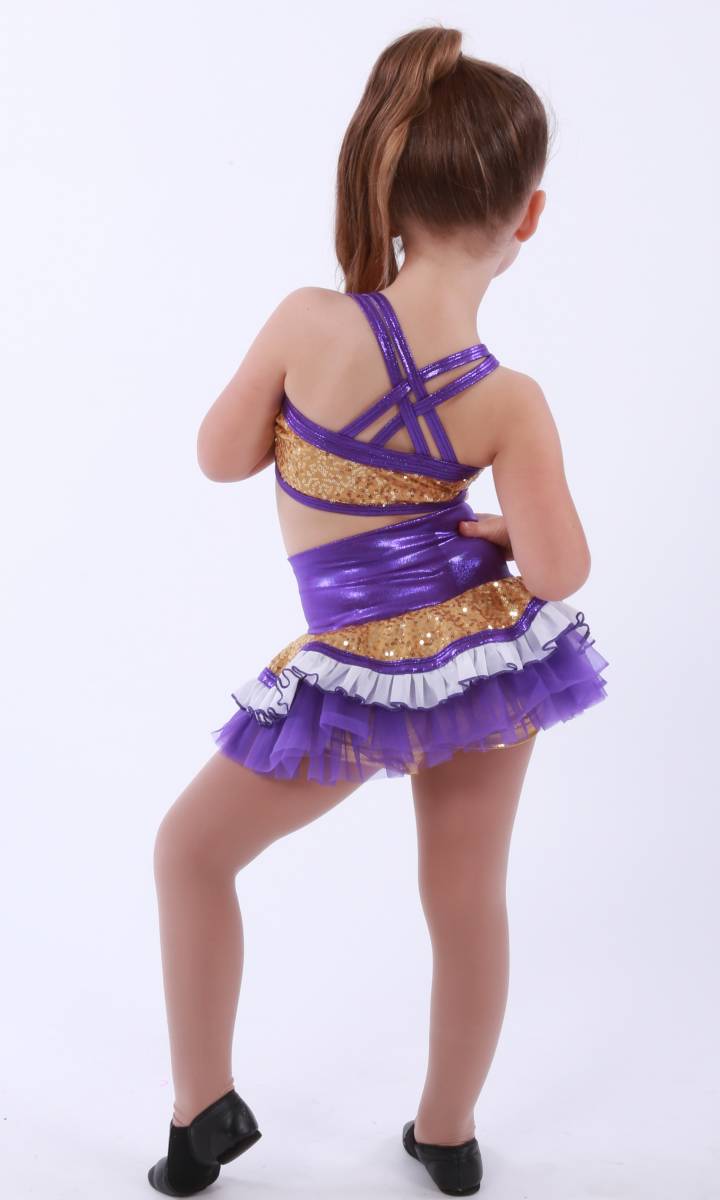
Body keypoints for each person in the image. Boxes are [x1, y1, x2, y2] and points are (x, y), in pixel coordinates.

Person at [147, 23, 609, 1198]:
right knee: (465, 898)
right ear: (530, 216)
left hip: (355, 669)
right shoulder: (510, 400)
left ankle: (201, 1117)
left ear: (392, 190)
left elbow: (219, 456)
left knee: (191, 853)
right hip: (485, 664)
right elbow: (560, 572)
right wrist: (499, 531)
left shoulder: (310, 323)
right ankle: (447, 1133)